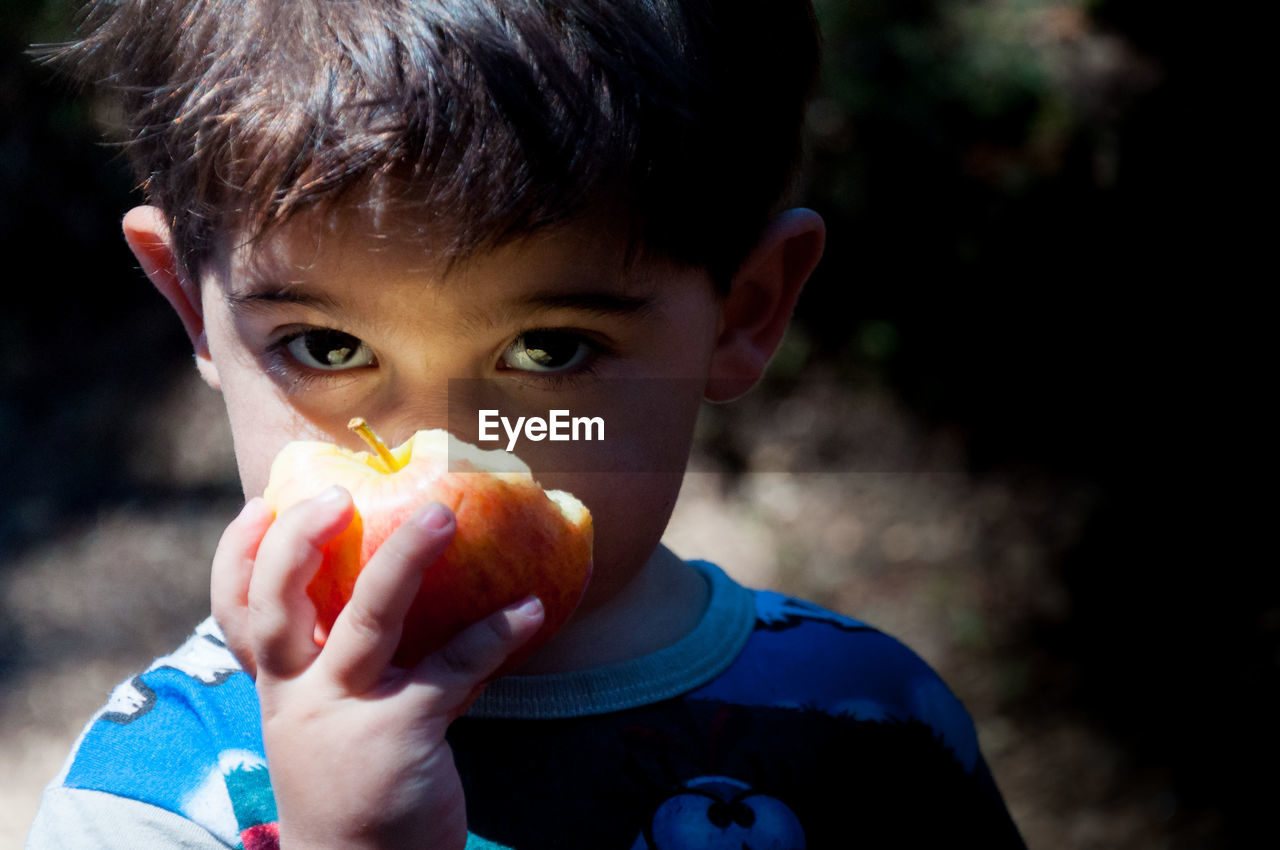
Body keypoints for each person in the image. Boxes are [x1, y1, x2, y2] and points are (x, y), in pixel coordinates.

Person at [29, 1, 1025, 847]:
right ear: (190, 305)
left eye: (549, 348)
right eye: (327, 347)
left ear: (743, 310)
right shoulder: (155, 795)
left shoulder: (866, 730)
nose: (436, 441)